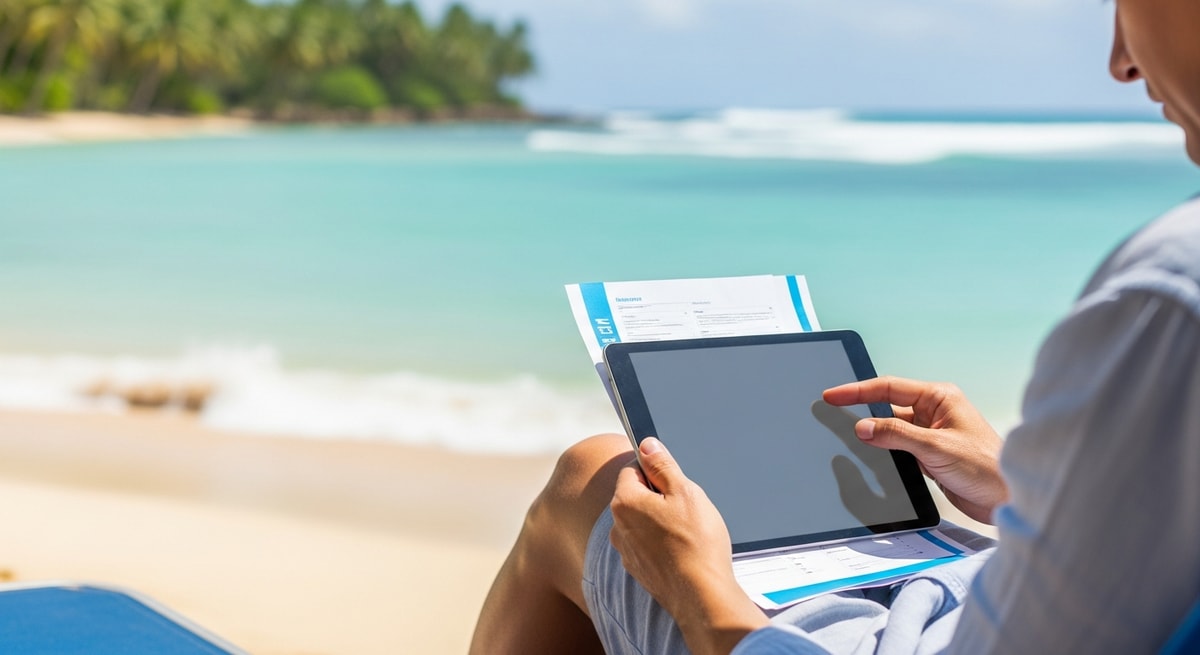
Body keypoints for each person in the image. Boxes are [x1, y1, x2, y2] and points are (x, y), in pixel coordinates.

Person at [470, 0, 1200, 652]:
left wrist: (701, 594)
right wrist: (1026, 494)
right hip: (961, 586)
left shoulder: (1172, 292)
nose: (1120, 60)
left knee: (589, 479)